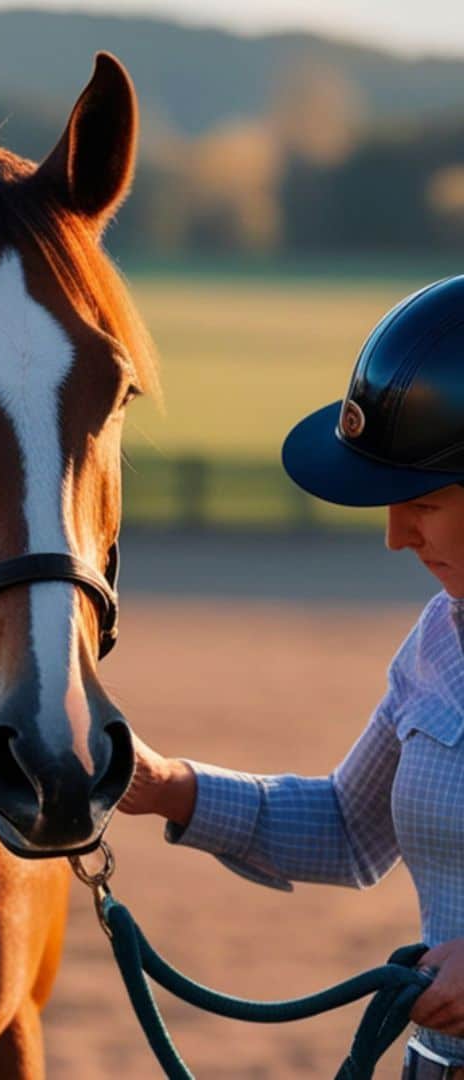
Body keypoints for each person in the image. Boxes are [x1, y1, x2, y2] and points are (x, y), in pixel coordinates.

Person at [119, 274, 464, 1080]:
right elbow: (349, 827)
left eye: (424, 500)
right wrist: (165, 785)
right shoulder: (438, 643)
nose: (396, 537)